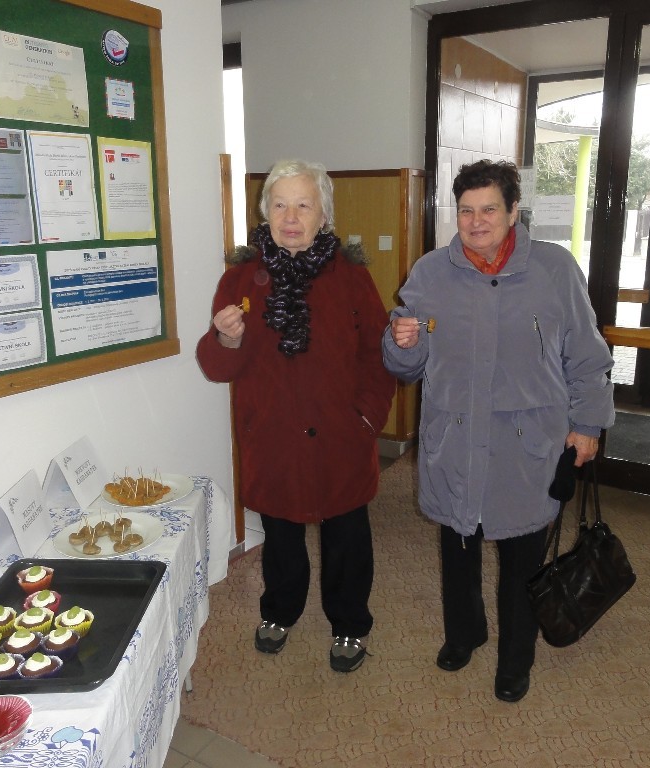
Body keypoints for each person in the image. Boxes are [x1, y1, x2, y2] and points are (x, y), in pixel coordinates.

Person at [382, 159, 614, 702]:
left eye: (489, 209)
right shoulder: (430, 273)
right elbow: (405, 367)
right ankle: (464, 633)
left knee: (522, 557)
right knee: (458, 544)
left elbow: (587, 355)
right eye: (466, 210)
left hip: (525, 444)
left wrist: (587, 424)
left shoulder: (555, 269)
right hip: (454, 439)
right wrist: (400, 342)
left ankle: (516, 658)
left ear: (513, 211)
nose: (476, 221)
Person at [196, 159, 395, 673]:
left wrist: (367, 419)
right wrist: (226, 339)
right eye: (280, 204)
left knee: (347, 539)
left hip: (341, 438)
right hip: (273, 439)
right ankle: (279, 612)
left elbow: (378, 355)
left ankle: (350, 623)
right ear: (265, 212)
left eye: (303, 205)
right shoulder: (240, 279)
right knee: (281, 538)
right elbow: (217, 367)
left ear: (323, 213)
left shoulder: (351, 276)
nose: (290, 217)